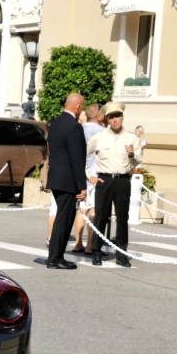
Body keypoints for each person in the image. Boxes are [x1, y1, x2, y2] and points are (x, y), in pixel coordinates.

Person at [86, 102, 142, 268]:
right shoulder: (99, 137)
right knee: (101, 216)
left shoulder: (132, 138)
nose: (115, 120)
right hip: (104, 180)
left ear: (122, 117)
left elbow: (138, 160)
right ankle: (96, 251)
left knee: (123, 218)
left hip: (123, 180)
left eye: (117, 116)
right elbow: (82, 156)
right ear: (107, 119)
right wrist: (89, 177)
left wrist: (132, 154)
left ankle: (122, 254)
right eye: (111, 117)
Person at [45, 93, 88, 270]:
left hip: (56, 177)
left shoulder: (55, 123)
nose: (82, 110)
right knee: (65, 219)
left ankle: (54, 256)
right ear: (78, 107)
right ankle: (56, 258)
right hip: (68, 179)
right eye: (82, 107)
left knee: (61, 218)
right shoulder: (74, 127)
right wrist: (82, 186)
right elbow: (77, 159)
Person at [73, 104, 104, 253]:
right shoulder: (103, 132)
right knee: (94, 210)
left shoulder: (79, 129)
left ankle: (78, 242)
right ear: (99, 116)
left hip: (81, 173)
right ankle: (90, 245)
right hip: (95, 174)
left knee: (82, 209)